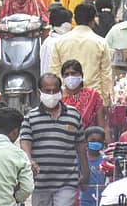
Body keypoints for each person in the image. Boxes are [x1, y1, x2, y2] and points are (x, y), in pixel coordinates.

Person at [20, 73, 89, 206]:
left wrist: (85, 172)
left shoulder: (74, 114)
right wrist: (29, 160)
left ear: (60, 91)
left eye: (55, 90)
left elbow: (81, 146)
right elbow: (25, 141)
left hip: (67, 181)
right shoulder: (31, 117)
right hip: (40, 182)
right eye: (47, 91)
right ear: (40, 92)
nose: (51, 94)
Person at [50, 2, 112, 103]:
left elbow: (55, 72)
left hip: (66, 98)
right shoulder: (101, 42)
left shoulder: (60, 42)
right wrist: (105, 102)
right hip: (93, 99)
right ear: (93, 20)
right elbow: (106, 75)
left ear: (75, 19)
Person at [59, 59, 109, 140]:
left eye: (73, 73)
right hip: (63, 143)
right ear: (63, 78)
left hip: (89, 144)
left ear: (81, 75)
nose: (70, 77)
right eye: (66, 74)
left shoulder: (93, 96)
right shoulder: (58, 98)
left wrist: (107, 146)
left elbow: (102, 125)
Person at [79, 127, 107, 206]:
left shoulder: (105, 159)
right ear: (86, 142)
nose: (95, 143)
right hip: (84, 199)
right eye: (92, 141)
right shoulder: (80, 159)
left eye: (99, 141)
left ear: (103, 143)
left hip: (102, 199)